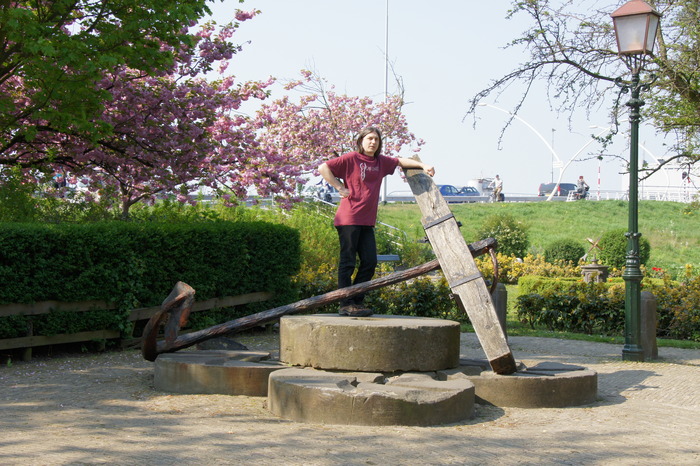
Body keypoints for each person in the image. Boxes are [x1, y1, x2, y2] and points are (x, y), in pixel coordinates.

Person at [318, 126, 435, 317]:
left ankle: (356, 300)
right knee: (348, 262)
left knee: (370, 262)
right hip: (349, 217)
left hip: (367, 220)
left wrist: (423, 166)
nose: (373, 142)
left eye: (376, 140)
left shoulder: (381, 162)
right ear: (361, 141)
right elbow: (323, 167)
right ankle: (345, 304)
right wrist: (339, 187)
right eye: (369, 138)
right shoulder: (351, 159)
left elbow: (399, 161)